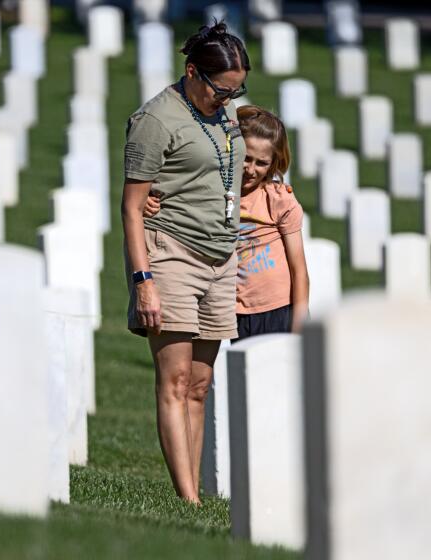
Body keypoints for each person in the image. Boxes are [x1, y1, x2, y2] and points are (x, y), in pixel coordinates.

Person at [121, 22, 250, 504]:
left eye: (237, 90)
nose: (228, 98)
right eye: (222, 89)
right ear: (192, 72)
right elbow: (132, 206)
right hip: (172, 254)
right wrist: (143, 281)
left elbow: (227, 170)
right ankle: (187, 500)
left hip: (221, 257)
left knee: (200, 383)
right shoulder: (156, 120)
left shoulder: (226, 114)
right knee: (174, 380)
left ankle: (192, 492)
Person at [145, 106, 309, 338]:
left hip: (277, 309)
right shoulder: (210, 190)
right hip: (230, 307)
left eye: (261, 163)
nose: (251, 170)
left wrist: (300, 322)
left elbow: (299, 268)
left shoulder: (278, 199)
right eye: (246, 158)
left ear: (273, 162)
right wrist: (149, 202)